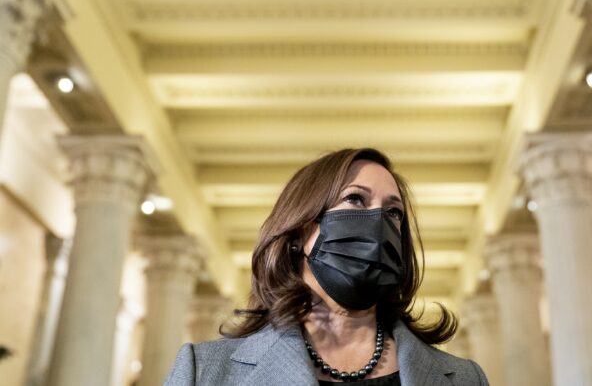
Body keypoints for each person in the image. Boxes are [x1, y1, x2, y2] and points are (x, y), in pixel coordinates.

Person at [164, 148, 489, 385]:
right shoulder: (204, 371)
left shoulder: (464, 378)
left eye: (393, 213)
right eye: (356, 200)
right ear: (300, 230)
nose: (377, 222)